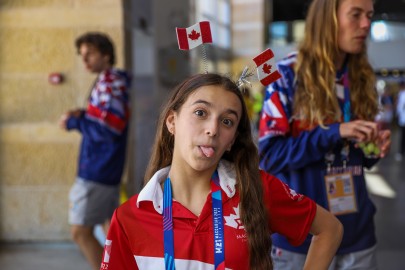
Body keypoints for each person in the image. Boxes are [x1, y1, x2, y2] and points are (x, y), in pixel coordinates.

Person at [100, 73, 343, 270]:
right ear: (172, 121)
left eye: (227, 121)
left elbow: (329, 229)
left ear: (231, 141)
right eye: (200, 113)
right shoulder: (129, 217)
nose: (212, 129)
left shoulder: (255, 187)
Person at [258, 0, 391, 269]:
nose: (366, 24)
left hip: (358, 237)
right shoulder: (286, 76)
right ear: (327, 20)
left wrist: (371, 150)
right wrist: (335, 131)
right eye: (355, 15)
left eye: (368, 15)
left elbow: (354, 158)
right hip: (302, 239)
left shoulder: (361, 77)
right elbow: (270, 157)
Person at [59, 32, 131, 270]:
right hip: (103, 168)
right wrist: (83, 113)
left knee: (80, 232)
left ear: (106, 54)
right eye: (82, 56)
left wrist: (73, 123)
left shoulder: (111, 83)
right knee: (109, 230)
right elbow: (104, 118)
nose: (85, 61)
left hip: (97, 171)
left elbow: (109, 130)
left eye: (89, 54)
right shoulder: (108, 81)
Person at [395, 81, 405, 161]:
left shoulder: (402, 94)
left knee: (403, 136)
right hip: (403, 119)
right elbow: (399, 107)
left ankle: (401, 152)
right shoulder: (401, 94)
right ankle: (401, 152)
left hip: (403, 118)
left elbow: (399, 107)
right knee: (402, 136)